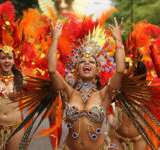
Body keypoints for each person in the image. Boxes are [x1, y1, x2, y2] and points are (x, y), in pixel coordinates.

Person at [47, 17, 125, 149]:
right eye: (82, 61)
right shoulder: (69, 92)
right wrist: (55, 39)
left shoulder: (104, 94)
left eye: (92, 62)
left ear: (97, 70)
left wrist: (118, 40)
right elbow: (52, 70)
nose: (87, 62)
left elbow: (120, 71)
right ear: (77, 68)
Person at [0, 48, 24, 150]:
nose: (6, 61)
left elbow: (44, 83)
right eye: (3, 58)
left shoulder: (21, 79)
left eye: (10, 58)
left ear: (14, 61)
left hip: (16, 127)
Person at [108, 60, 148, 150]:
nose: (123, 74)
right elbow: (108, 103)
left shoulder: (144, 91)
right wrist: (110, 114)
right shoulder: (115, 90)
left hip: (138, 139)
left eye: (127, 71)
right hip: (117, 137)